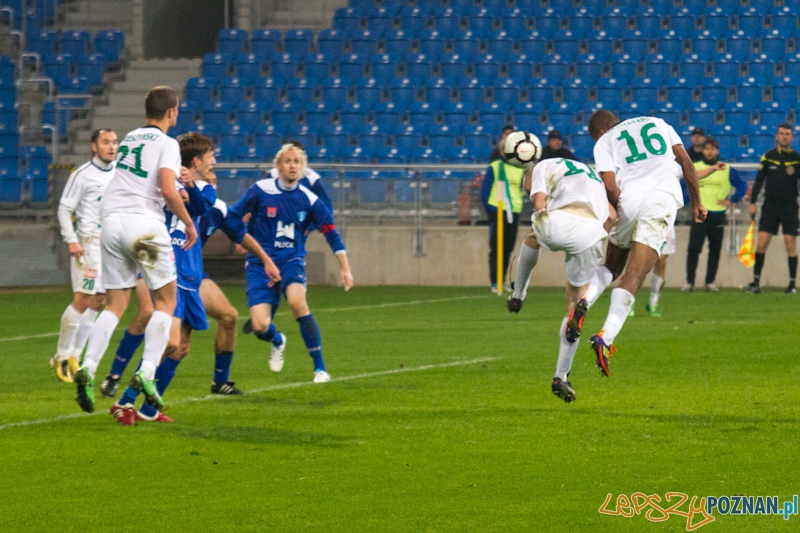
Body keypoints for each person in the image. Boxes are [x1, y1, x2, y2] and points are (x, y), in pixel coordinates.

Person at [72, 86, 197, 414]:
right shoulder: (167, 143)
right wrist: (188, 222)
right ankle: (147, 371)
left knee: (115, 305)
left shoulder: (128, 139)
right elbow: (167, 189)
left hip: (111, 223)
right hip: (144, 225)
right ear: (171, 112)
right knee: (166, 301)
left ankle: (88, 366)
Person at [567, 110, 705, 377]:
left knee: (612, 265)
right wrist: (697, 202)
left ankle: (584, 300)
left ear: (597, 131)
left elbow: (609, 184)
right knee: (635, 273)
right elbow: (686, 163)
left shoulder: (605, 142)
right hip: (660, 199)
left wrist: (620, 207)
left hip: (630, 197)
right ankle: (605, 337)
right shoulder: (658, 122)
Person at [234, 144, 353, 382]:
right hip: (260, 264)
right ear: (278, 166)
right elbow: (234, 216)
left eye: (297, 161)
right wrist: (241, 236)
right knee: (259, 326)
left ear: (303, 167)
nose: (292, 165)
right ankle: (277, 340)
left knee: (298, 303)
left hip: (292, 261)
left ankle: (320, 369)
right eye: (287, 161)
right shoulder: (259, 190)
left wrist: (345, 267)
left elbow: (331, 232)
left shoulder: (309, 199)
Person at [507, 158, 614, 403]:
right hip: (590, 231)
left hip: (559, 221)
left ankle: (517, 295)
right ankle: (561, 375)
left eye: (526, 187)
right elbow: (611, 215)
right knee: (574, 303)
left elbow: (539, 201)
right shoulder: (593, 175)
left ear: (529, 176)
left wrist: (542, 213)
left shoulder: (542, 167)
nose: (528, 191)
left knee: (533, 237)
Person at [51, 129, 118, 382]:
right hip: (88, 245)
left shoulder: (119, 171)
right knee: (82, 299)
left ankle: (75, 355)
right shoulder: (82, 174)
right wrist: (72, 240)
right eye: (105, 142)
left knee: (99, 300)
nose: (111, 147)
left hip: (109, 245)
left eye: (114, 142)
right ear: (94, 146)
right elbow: (64, 209)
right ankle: (60, 356)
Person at [683, 139, 747, 292]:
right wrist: (688, 200)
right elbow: (683, 183)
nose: (709, 152)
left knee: (715, 250)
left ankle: (710, 282)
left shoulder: (727, 169)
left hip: (717, 214)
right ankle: (689, 282)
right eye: (707, 149)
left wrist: (732, 200)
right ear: (702, 151)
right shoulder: (695, 167)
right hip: (699, 214)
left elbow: (742, 185)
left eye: (713, 149)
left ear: (717, 151)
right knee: (694, 249)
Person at [747, 123, 800, 294]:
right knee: (761, 244)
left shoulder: (797, 158)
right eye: (781, 133)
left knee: (790, 244)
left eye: (788, 134)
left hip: (790, 206)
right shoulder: (768, 157)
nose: (784, 136)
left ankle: (792, 284)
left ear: (792, 137)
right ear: (776, 136)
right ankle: (755, 283)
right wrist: (753, 202)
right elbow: (759, 180)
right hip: (770, 206)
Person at [480, 151, 526, 292]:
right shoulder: (495, 167)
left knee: (507, 248)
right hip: (498, 209)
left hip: (514, 210)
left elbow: (523, 188)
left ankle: (503, 280)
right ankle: (495, 281)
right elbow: (485, 191)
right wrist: (490, 211)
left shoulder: (519, 168)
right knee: (496, 247)